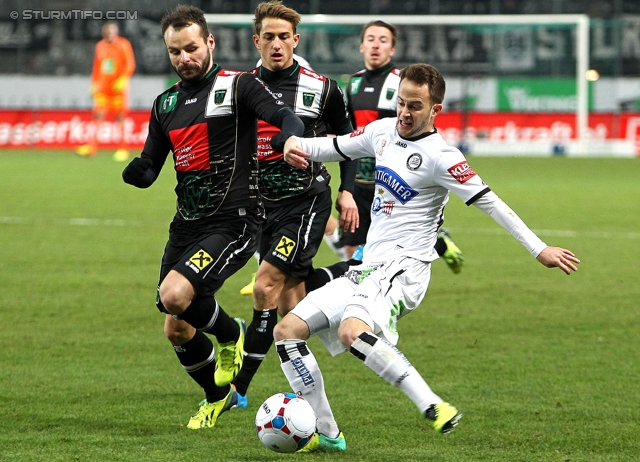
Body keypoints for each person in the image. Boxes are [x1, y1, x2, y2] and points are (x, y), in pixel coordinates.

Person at [275, 63, 580, 452]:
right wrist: (293, 144)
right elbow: (334, 146)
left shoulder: (443, 157)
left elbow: (491, 204)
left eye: (415, 106)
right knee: (286, 334)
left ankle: (432, 404)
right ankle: (328, 432)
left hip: (406, 270)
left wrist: (540, 249)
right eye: (401, 103)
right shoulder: (383, 132)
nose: (404, 112)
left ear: (435, 109)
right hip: (367, 266)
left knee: (351, 332)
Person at [121, 5, 305, 430]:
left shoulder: (238, 85)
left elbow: (283, 116)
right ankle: (217, 396)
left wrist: (288, 134)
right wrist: (139, 172)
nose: (184, 58)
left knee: (174, 295)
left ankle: (230, 334)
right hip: (187, 224)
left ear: (209, 43)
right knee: (177, 329)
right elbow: (152, 165)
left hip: (235, 221)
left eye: (191, 48)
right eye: (175, 52)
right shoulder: (165, 103)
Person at [230, 0, 358, 406]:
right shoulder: (241, 88)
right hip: (259, 208)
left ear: (296, 40)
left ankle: (239, 388)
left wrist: (347, 189)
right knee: (292, 301)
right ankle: (352, 272)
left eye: (284, 37)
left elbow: (351, 143)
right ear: (256, 41)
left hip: (306, 202)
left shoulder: (323, 88)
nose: (276, 44)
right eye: (268, 37)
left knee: (266, 285)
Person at [342, 20, 464, 273]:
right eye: (371, 39)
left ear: (393, 49)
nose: (376, 45)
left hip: (389, 178)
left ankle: (436, 243)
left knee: (384, 253)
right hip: (358, 179)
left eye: (383, 40)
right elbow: (350, 133)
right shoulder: (353, 83)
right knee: (352, 251)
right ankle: (440, 242)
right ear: (361, 46)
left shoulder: (401, 82)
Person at [77, 21, 136, 162]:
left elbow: (130, 65)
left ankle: (123, 149)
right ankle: (91, 148)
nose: (109, 33)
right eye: (107, 31)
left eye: (112, 30)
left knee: (120, 118)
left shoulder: (123, 44)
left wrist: (122, 79)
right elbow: (97, 67)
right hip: (103, 88)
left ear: (116, 32)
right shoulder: (100, 46)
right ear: (104, 32)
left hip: (117, 89)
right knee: (97, 116)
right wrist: (94, 84)